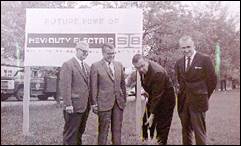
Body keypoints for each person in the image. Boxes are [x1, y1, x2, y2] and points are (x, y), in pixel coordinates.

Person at [175, 35, 217, 145]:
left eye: (188, 47)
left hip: (199, 101)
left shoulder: (204, 59)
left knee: (199, 132)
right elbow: (180, 81)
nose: (186, 50)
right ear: (180, 48)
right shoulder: (179, 62)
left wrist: (203, 95)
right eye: (183, 48)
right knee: (185, 131)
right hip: (183, 102)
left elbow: (212, 81)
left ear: (194, 45)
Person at [132, 54, 176, 145]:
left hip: (166, 101)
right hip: (154, 97)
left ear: (146, 61)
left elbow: (157, 96)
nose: (141, 69)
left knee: (161, 127)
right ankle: (147, 142)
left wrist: (152, 115)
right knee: (146, 123)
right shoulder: (141, 70)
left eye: (142, 66)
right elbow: (151, 88)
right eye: (138, 68)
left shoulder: (157, 72)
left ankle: (161, 143)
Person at [90, 43, 126, 145]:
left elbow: (122, 84)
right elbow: (93, 87)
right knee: (103, 131)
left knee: (117, 131)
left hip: (118, 103)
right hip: (103, 103)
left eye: (113, 53)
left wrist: (124, 100)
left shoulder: (119, 65)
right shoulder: (95, 66)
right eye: (109, 53)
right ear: (103, 53)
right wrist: (94, 103)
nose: (112, 55)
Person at [59, 41, 90, 145]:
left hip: (85, 106)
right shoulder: (68, 65)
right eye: (83, 51)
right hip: (73, 106)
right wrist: (68, 104)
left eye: (87, 52)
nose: (86, 54)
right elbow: (65, 86)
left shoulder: (86, 66)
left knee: (79, 133)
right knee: (70, 134)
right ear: (77, 50)